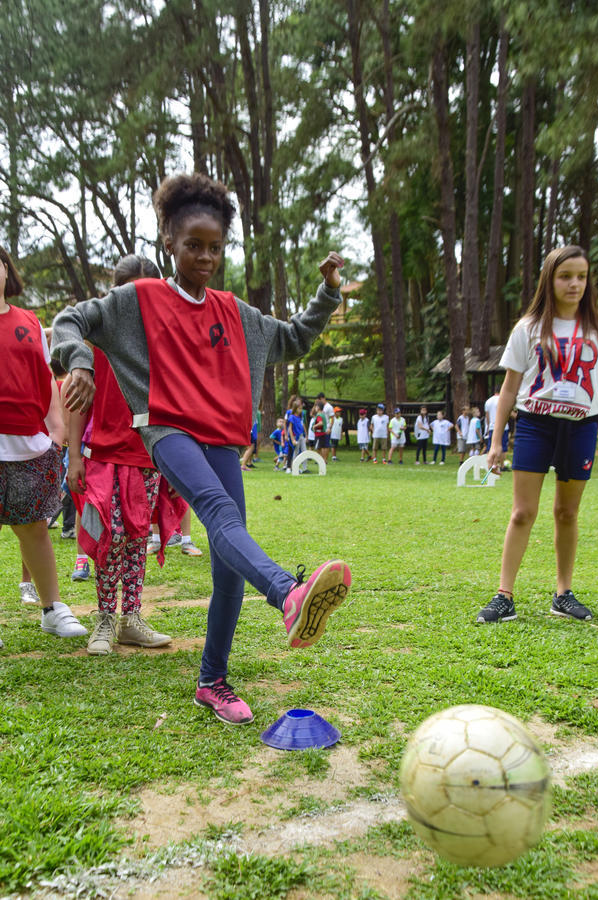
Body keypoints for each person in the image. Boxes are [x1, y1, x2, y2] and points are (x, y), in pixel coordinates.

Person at [52, 171, 351, 724]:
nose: (206, 257)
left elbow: (292, 338)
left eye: (215, 247)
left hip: (220, 439)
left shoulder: (234, 312)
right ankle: (289, 594)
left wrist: (327, 293)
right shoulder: (136, 300)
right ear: (169, 240)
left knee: (227, 567)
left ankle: (212, 681)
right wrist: (78, 361)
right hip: (167, 431)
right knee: (217, 515)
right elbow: (71, 320)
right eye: (194, 245)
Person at [67, 254, 185, 656]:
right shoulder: (96, 337)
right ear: (115, 294)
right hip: (102, 455)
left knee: (136, 538)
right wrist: (74, 457)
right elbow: (77, 403)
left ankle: (131, 618)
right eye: (128, 292)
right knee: (107, 537)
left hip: (147, 456)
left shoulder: (165, 342)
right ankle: (103, 618)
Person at [477, 245, 598, 625]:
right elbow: (509, 391)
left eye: (581, 276)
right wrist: (496, 442)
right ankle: (504, 596)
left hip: (581, 427)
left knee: (567, 512)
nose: (574, 284)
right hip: (535, 425)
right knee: (522, 513)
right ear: (550, 280)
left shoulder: (595, 328)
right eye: (565, 276)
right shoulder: (528, 328)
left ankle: (563, 594)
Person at [0, 245, 87, 645]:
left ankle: (52, 609)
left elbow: (43, 378)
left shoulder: (29, 321)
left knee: (34, 527)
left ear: (7, 272)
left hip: (29, 441)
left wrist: (57, 433)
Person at [484, 385, 510, 466]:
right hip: (503, 427)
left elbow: (487, 416)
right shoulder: (502, 400)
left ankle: (489, 464)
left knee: (490, 446)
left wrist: (488, 426)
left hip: (492, 426)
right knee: (503, 446)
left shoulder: (488, 401)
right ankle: (502, 465)